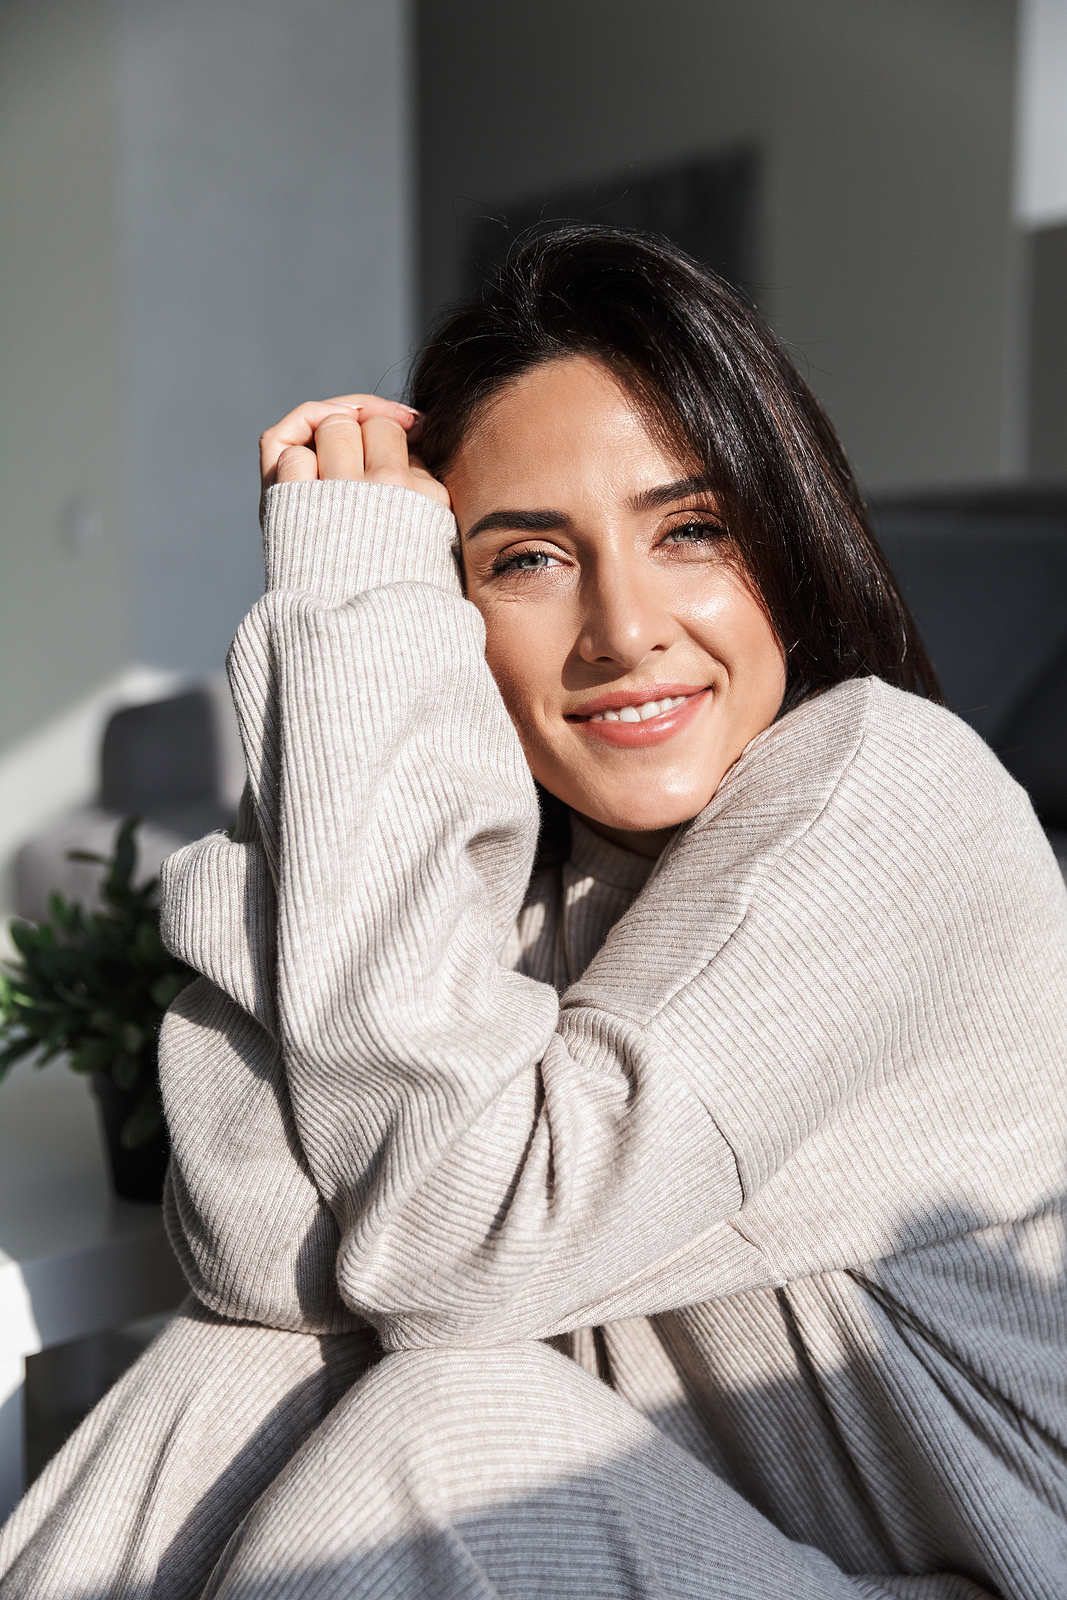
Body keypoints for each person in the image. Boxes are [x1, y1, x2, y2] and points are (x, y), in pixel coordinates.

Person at [3, 226, 1067, 1600]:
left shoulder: (892, 797)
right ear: (453, 613)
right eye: (529, 562)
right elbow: (259, 1254)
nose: (623, 628)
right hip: (721, 1539)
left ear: (787, 549)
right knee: (248, 1365)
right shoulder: (520, 856)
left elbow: (451, 1248)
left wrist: (365, 638)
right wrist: (356, 674)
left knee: (444, 1436)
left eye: (690, 531)